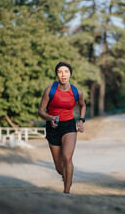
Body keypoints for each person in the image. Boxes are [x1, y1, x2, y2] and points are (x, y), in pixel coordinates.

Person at [38, 62, 86, 194]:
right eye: (60, 72)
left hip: (69, 126)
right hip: (53, 126)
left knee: (67, 158)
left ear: (70, 74)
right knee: (59, 168)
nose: (63, 74)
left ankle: (66, 192)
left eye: (66, 71)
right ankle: (66, 177)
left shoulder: (77, 92)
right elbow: (41, 111)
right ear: (57, 74)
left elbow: (83, 106)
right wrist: (50, 118)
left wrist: (81, 121)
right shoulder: (50, 90)